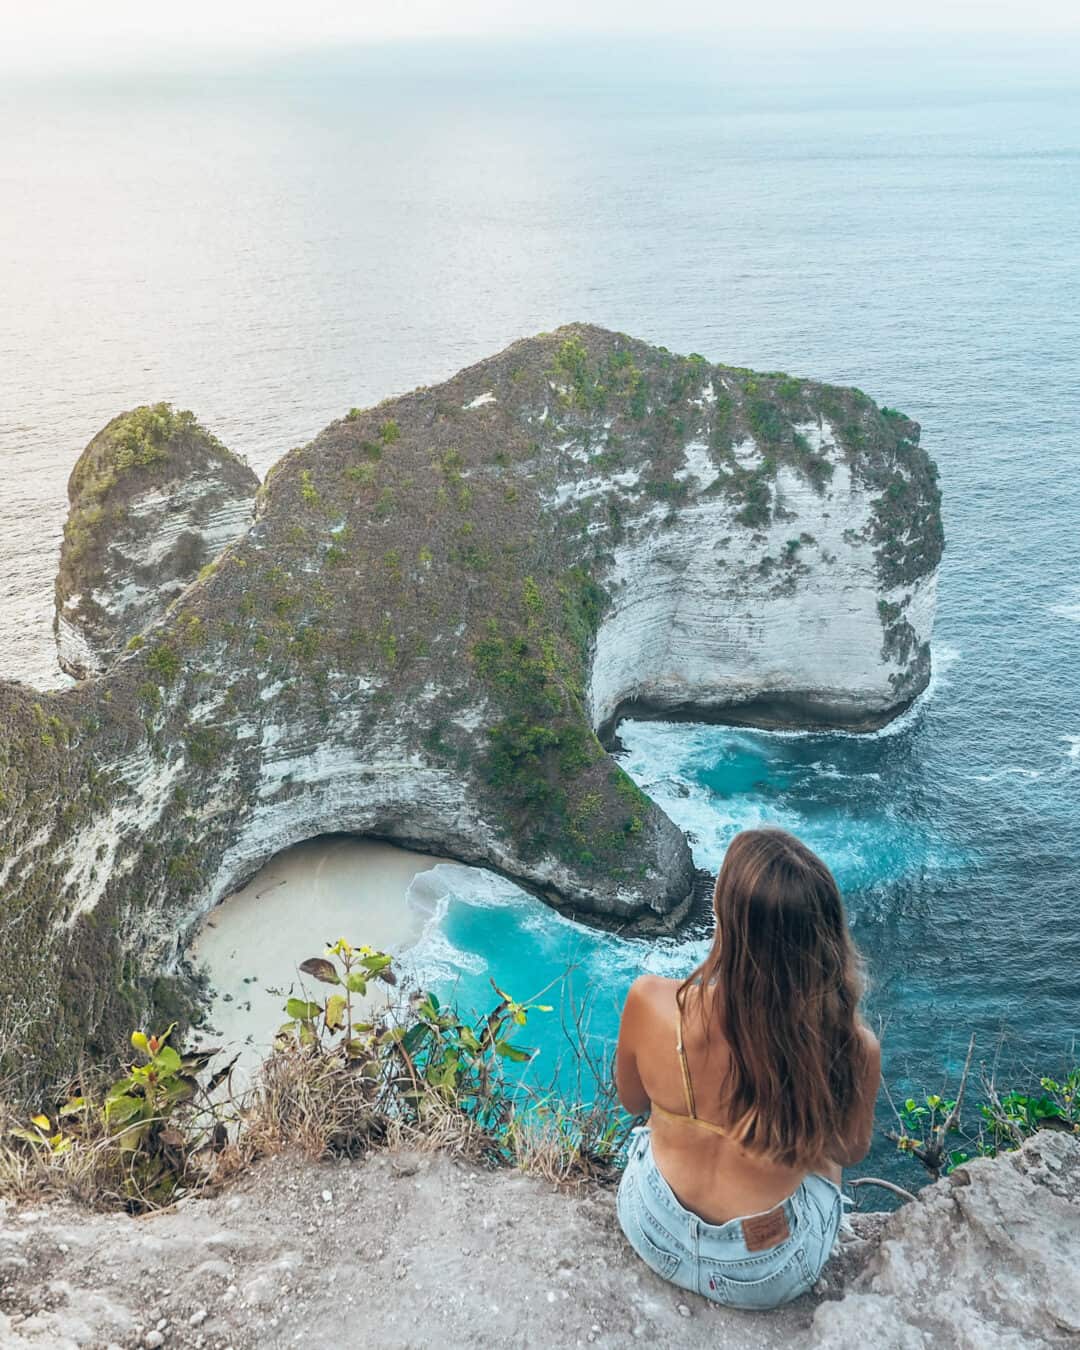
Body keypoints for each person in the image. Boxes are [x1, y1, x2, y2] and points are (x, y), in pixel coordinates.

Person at [614, 827, 880, 1310]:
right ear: (823, 942)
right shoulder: (851, 1047)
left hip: (651, 1226)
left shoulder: (650, 1001)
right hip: (766, 1269)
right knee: (823, 1159)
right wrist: (799, 1091)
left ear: (724, 922)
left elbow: (632, 1102)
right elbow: (849, 1149)